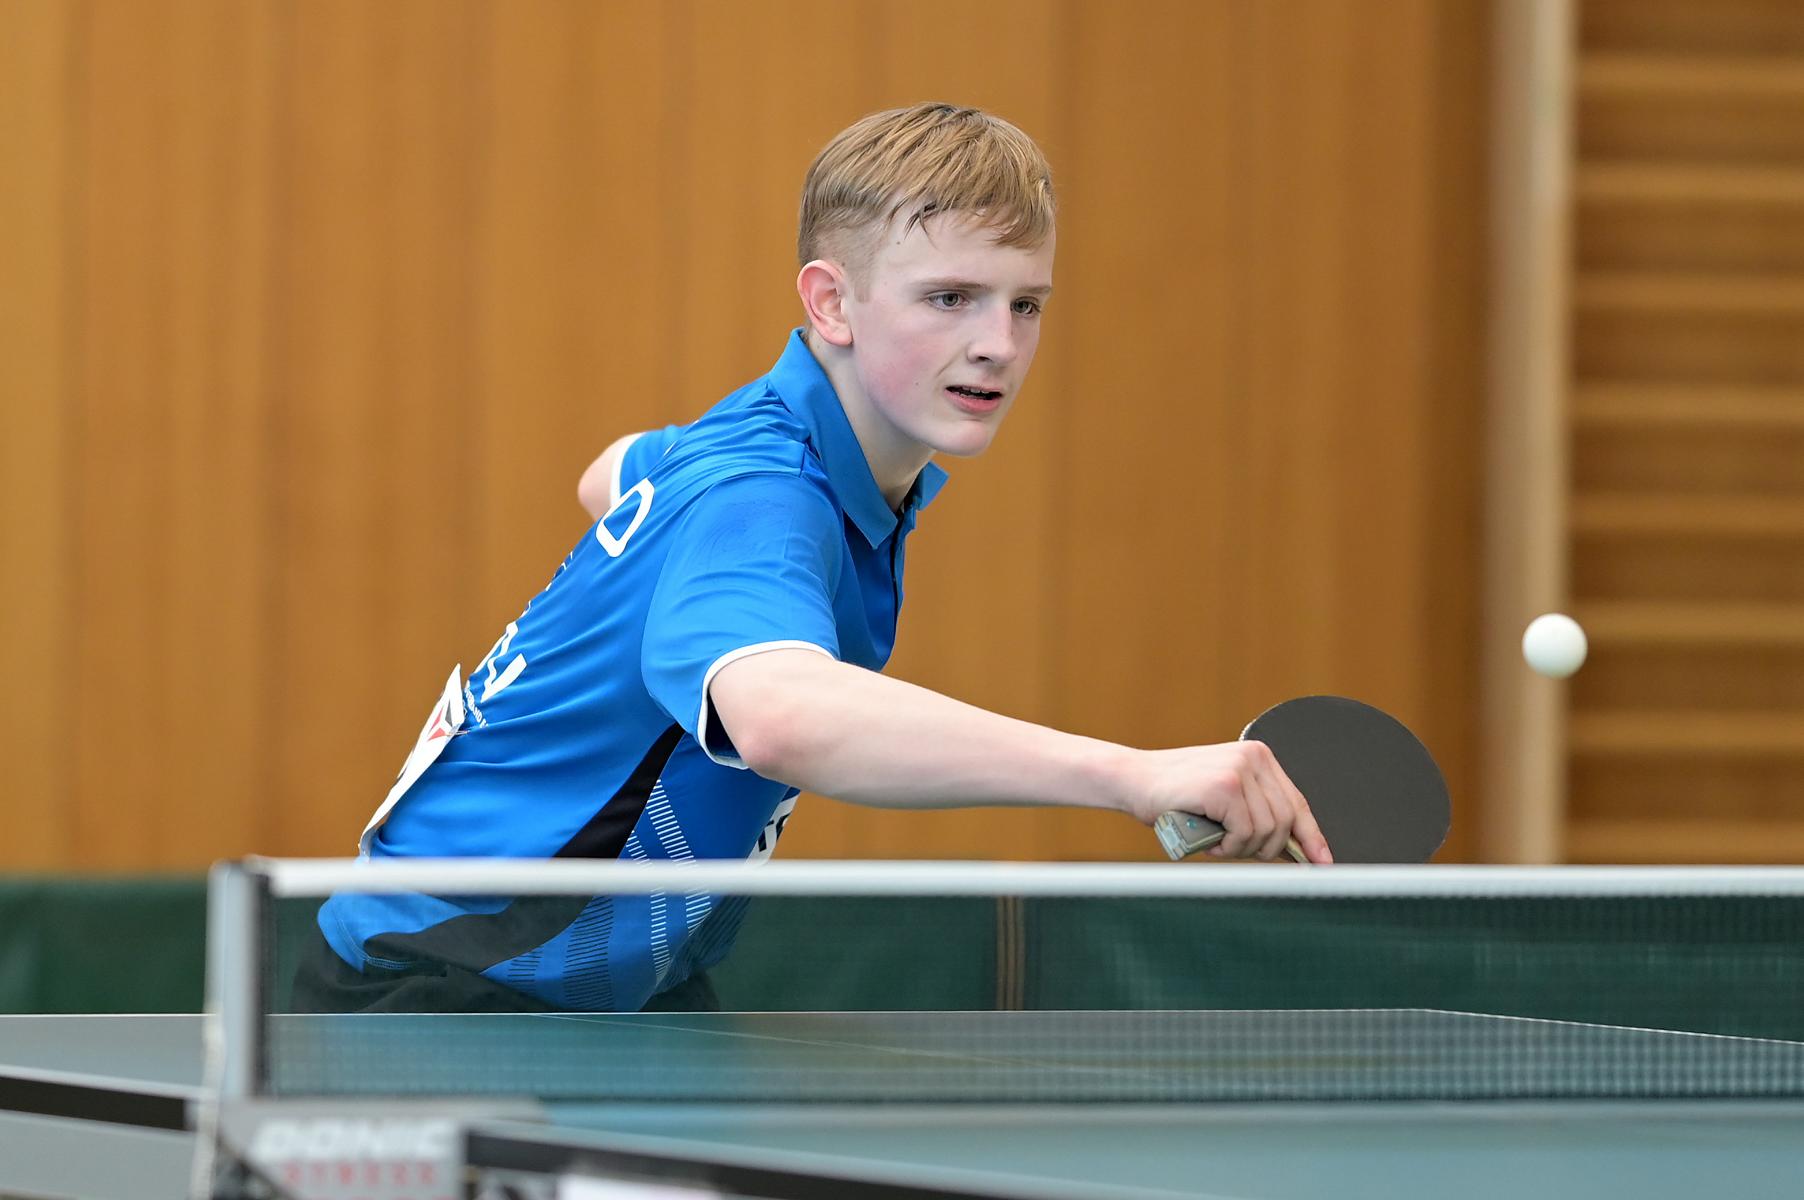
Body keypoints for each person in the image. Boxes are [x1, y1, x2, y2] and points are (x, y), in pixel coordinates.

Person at [296, 102, 1329, 1016]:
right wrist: (1132, 776)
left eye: (1025, 304)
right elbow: (780, 718)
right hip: (446, 989)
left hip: (606, 985)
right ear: (831, 303)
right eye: (950, 298)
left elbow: (610, 472)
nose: (1000, 345)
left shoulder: (771, 450)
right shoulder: (763, 495)